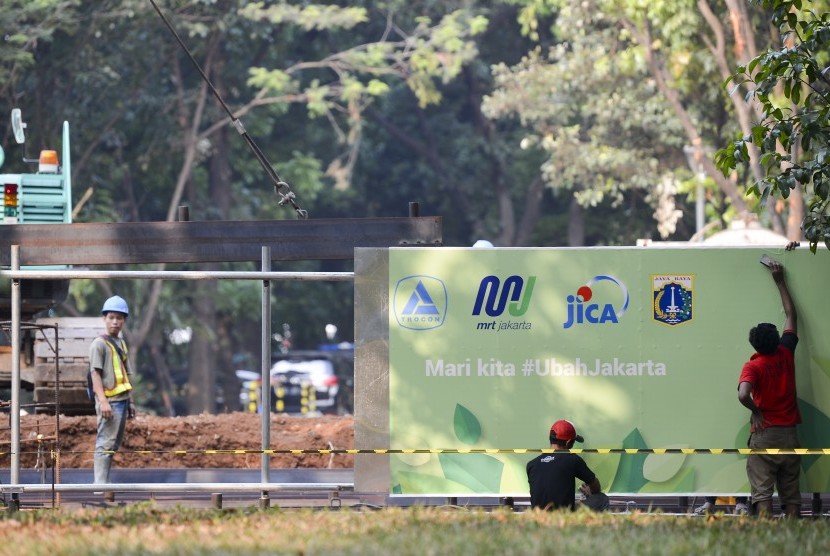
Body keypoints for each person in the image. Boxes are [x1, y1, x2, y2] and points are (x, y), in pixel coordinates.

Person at [737, 241, 801, 518]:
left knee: (762, 490)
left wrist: (756, 410)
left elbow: (742, 394)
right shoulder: (786, 353)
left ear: (754, 345)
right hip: (789, 433)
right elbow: (791, 314)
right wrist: (780, 281)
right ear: (776, 340)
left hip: (765, 432)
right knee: (790, 488)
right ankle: (794, 528)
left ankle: (765, 533)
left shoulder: (754, 366)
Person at [89, 295, 136, 499]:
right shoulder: (99, 344)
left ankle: (104, 483)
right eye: (111, 317)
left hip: (122, 400)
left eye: (119, 318)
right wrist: (103, 401)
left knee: (112, 445)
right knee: (104, 444)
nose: (115, 321)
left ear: (124, 320)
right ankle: (99, 486)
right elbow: (95, 374)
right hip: (110, 402)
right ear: (104, 318)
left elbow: (126, 373)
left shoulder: (121, 343)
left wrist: (130, 401)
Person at [526, 419, 609, 511]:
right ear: (568, 443)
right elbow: (596, 487)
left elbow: (545, 494)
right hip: (565, 514)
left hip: (539, 516)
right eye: (573, 443)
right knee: (602, 499)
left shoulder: (532, 465)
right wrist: (590, 492)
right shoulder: (573, 459)